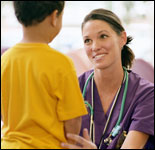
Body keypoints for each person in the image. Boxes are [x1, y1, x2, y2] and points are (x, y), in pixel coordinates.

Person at [61, 8, 154, 149]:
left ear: (122, 38)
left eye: (103, 36)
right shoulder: (73, 89)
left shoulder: (146, 94)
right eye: (87, 40)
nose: (95, 46)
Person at [1, 1, 88, 149]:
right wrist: (70, 144)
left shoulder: (5, 59)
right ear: (54, 17)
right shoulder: (61, 63)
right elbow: (73, 119)